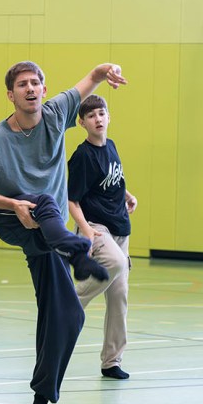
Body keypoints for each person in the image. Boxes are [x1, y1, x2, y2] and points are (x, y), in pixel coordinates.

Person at [0, 61, 127, 404]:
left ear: (45, 91)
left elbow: (91, 79)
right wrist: (11, 204)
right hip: (12, 220)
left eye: (35, 83)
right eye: (22, 85)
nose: (30, 89)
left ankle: (41, 399)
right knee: (42, 201)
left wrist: (106, 70)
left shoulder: (55, 115)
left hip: (48, 230)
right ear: (11, 95)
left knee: (67, 315)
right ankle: (73, 247)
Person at [67, 94, 137, 380]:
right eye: (91, 115)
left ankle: (112, 362)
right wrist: (86, 230)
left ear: (109, 117)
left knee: (119, 297)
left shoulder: (111, 146)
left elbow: (113, 179)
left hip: (121, 228)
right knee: (116, 263)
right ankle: (69, 303)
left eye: (101, 113)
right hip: (97, 227)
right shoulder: (82, 156)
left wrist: (128, 195)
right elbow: (71, 200)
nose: (97, 119)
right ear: (82, 122)